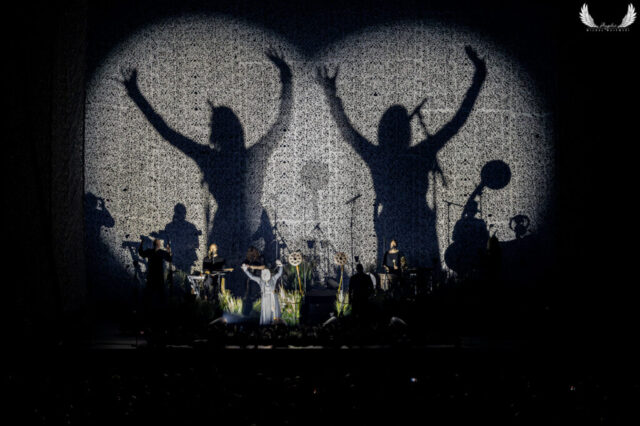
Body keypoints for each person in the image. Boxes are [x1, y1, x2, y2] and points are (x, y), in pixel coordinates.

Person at [138, 237, 172, 328]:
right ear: (159, 245)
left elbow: (141, 253)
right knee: (161, 296)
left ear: (153, 245)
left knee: (149, 296)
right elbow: (169, 259)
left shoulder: (150, 251)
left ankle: (147, 315)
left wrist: (141, 243)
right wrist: (168, 251)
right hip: (159, 277)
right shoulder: (161, 252)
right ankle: (162, 317)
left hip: (151, 276)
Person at [242, 260, 283, 325]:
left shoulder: (273, 279)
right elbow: (252, 276)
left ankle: (276, 324)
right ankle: (266, 325)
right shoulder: (260, 280)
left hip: (273, 298)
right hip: (265, 299)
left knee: (274, 312)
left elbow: (279, 273)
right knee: (266, 313)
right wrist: (245, 270)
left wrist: (280, 265)